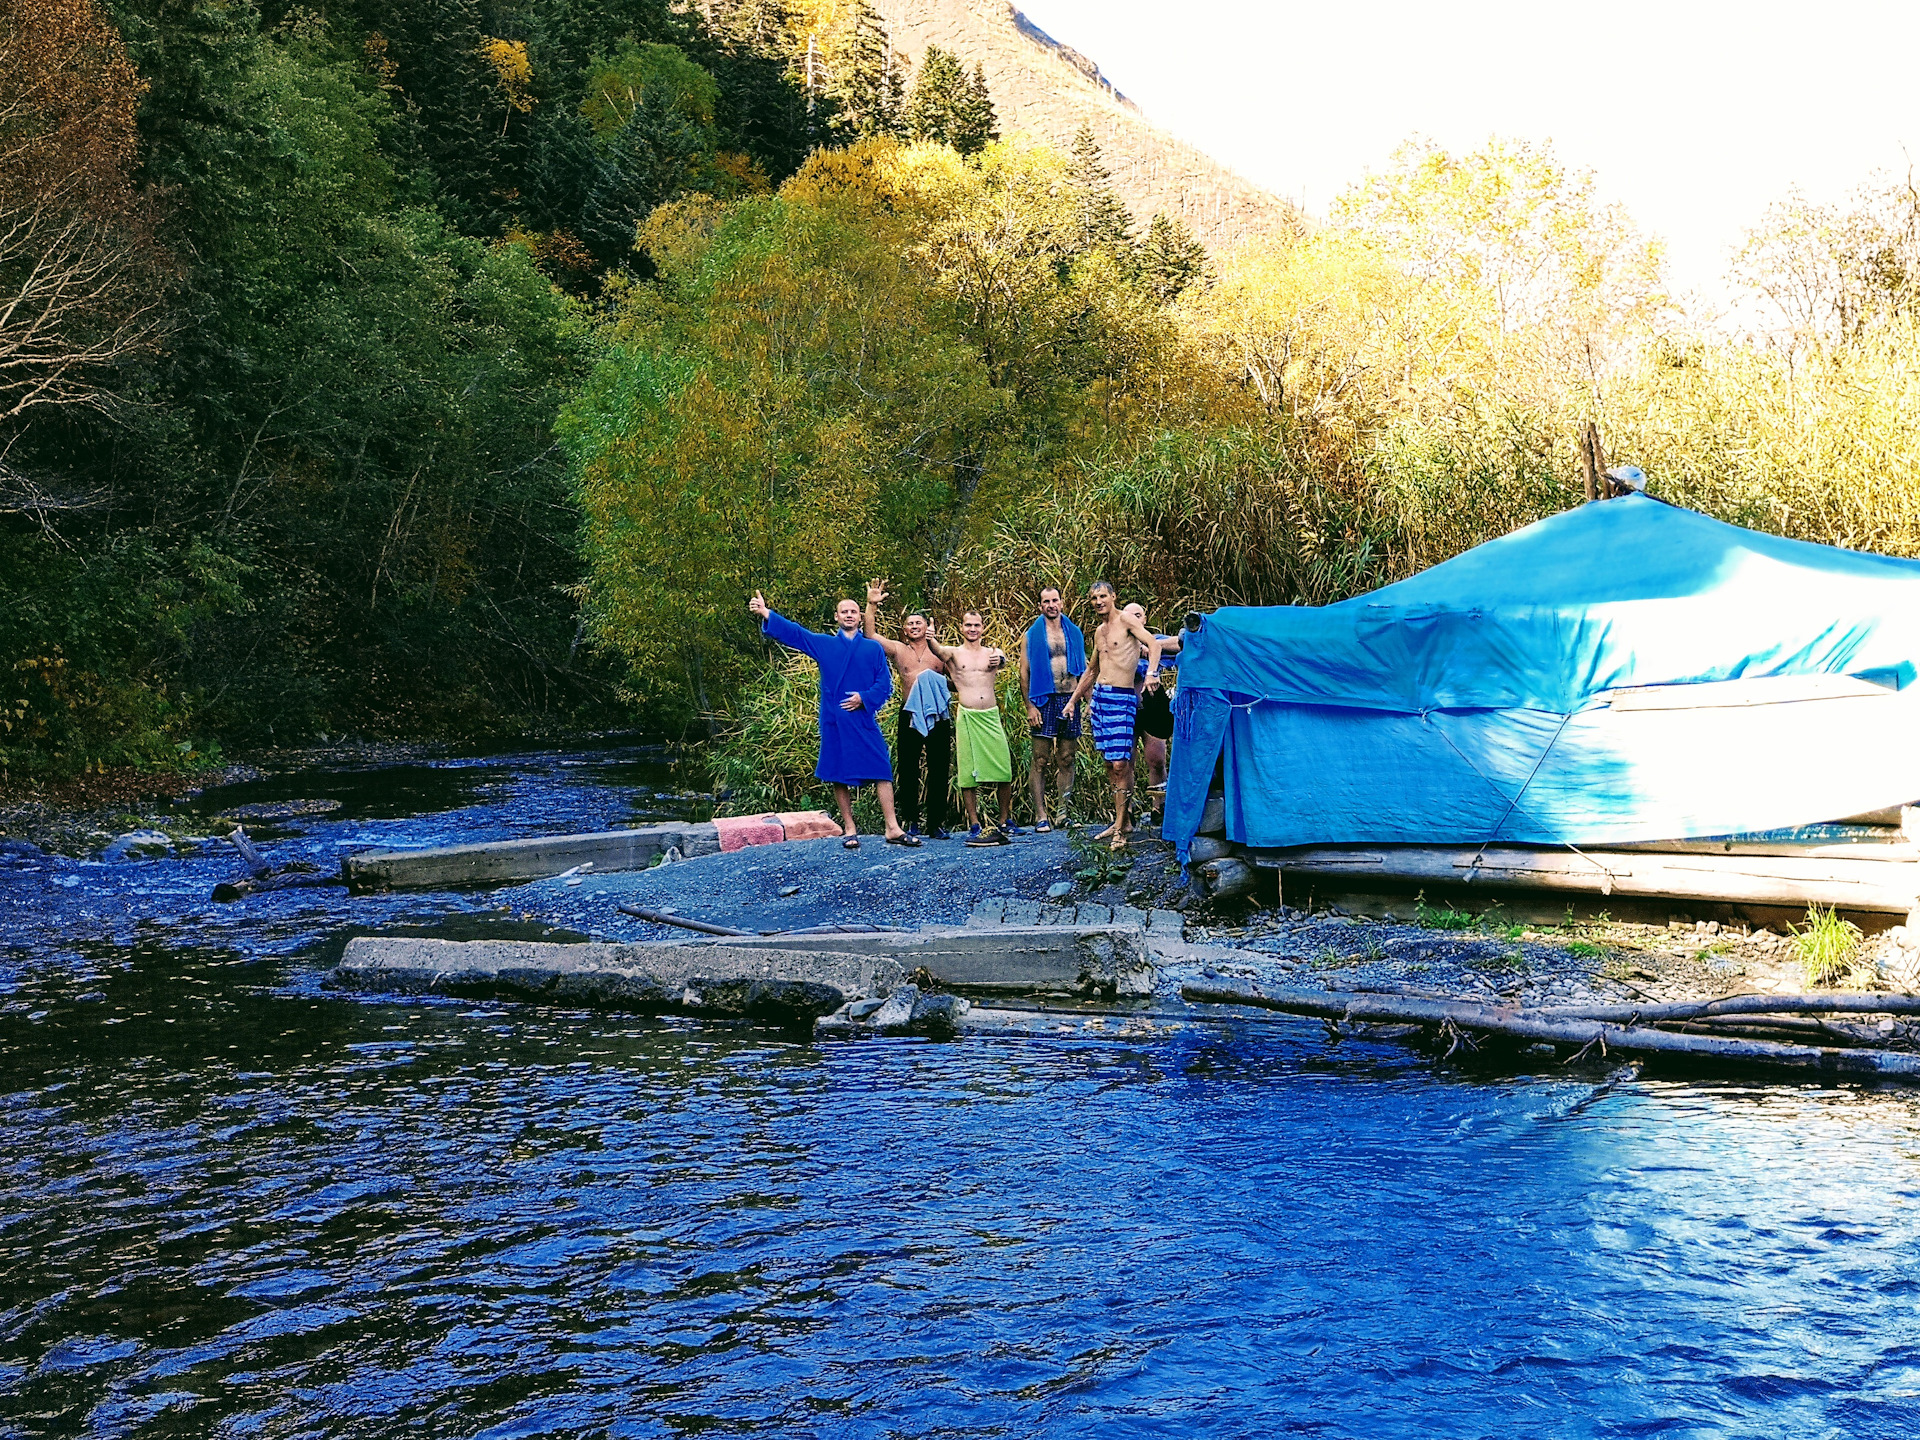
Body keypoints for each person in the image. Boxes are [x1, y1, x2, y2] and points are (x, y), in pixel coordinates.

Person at [748, 590, 918, 849]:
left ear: (860, 617)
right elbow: (796, 634)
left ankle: (892, 827)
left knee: (882, 768)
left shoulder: (872, 649)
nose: (849, 615)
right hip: (835, 719)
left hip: (862, 719)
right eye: (844, 611)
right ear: (836, 617)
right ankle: (850, 828)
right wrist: (766, 612)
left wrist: (863, 697)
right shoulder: (825, 644)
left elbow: (884, 684)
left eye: (853, 611)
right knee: (839, 772)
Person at [1066, 581, 1162, 850]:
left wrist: (1152, 673)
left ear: (1113, 597)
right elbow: (1092, 670)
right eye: (1094, 597)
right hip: (1101, 698)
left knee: (1121, 765)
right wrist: (1074, 701)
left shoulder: (1126, 620)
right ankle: (1124, 821)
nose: (1098, 601)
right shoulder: (1099, 631)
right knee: (1110, 765)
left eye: (1103, 596)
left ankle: (1120, 829)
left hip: (1122, 698)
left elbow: (1154, 645)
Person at [864, 581, 952, 839]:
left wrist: (935, 684)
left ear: (927, 627)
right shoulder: (899, 650)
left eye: (919, 623)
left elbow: (958, 680)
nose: (914, 627)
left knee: (939, 768)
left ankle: (936, 823)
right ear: (904, 630)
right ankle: (911, 820)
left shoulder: (940, 652)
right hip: (909, 713)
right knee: (908, 768)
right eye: (910, 624)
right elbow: (870, 636)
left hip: (937, 714)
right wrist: (872, 605)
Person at [925, 611, 1015, 846]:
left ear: (983, 628)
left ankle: (1005, 819)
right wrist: (930, 638)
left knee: (1004, 767)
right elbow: (939, 652)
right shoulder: (954, 653)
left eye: (977, 625)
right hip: (967, 715)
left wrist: (1002, 660)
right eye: (968, 625)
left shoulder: (992, 652)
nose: (973, 629)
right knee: (968, 771)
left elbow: (1003, 659)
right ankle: (974, 824)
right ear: (962, 627)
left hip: (990, 715)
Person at [1019, 586, 1086, 834]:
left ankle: (1062, 813)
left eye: (1054, 600)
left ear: (1061, 603)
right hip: (1044, 698)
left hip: (1069, 697)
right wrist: (1030, 706)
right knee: (1040, 759)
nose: (1051, 605)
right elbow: (1023, 671)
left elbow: (1083, 670)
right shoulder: (1032, 635)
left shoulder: (1074, 633)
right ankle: (1040, 815)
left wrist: (1087, 701)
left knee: (1067, 758)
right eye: (1046, 601)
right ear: (1040, 606)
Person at [1124, 602, 1181, 825]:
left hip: (1152, 708)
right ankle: (1125, 811)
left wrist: (1152, 647)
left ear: (1145, 619)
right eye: (1129, 616)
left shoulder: (1156, 641)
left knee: (1156, 759)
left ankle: (1159, 808)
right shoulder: (1119, 644)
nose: (1134, 620)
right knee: (1124, 762)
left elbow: (1182, 643)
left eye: (1138, 615)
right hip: (1127, 708)